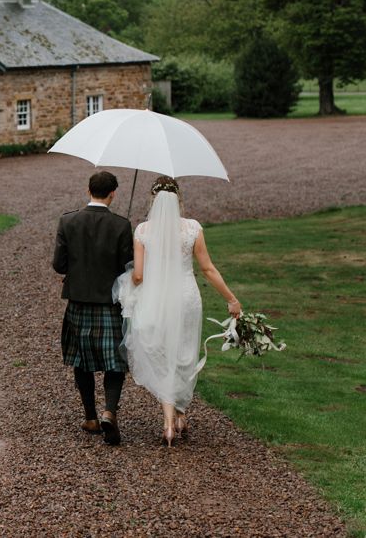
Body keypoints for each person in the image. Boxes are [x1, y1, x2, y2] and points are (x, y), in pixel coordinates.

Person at [116, 175, 241, 447]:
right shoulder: (192, 228)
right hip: (186, 298)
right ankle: (182, 415)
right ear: (179, 200)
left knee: (162, 354)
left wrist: (130, 283)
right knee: (184, 352)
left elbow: (138, 275)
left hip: (156, 298)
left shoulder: (143, 231)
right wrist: (231, 299)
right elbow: (208, 269)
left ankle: (168, 424)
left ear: (153, 200)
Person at [52, 170, 134, 445]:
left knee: (81, 360)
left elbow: (59, 265)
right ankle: (109, 411)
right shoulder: (122, 225)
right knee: (115, 361)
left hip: (78, 302)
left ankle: (90, 417)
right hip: (109, 303)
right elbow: (127, 268)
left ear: (89, 190)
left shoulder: (68, 221)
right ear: (113, 194)